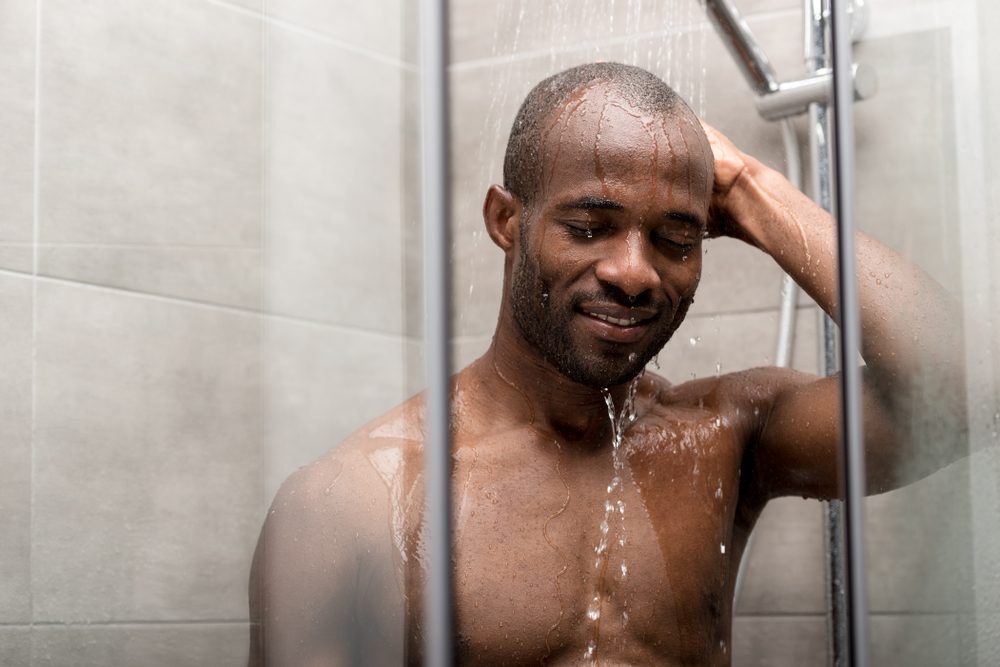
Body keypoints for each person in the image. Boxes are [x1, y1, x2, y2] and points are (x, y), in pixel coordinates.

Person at [248, 62, 964, 666]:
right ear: (506, 220)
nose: (634, 272)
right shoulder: (353, 506)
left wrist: (749, 188)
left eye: (676, 239)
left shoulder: (723, 438)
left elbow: (966, 393)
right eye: (589, 227)